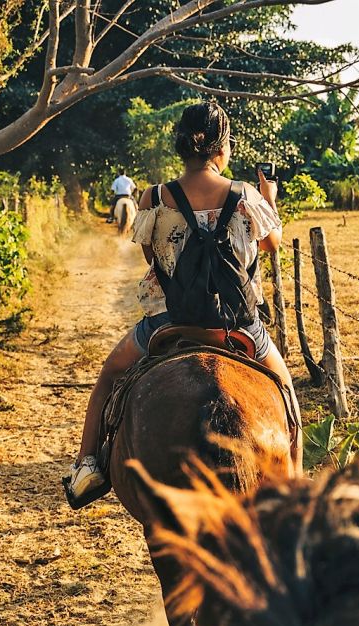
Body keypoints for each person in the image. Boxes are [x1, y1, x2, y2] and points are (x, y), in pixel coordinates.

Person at [66, 102, 299, 502]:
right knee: (287, 394)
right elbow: (271, 245)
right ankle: (296, 486)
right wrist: (268, 198)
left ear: (180, 147)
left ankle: (87, 465)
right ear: (223, 150)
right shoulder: (245, 195)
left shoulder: (154, 197)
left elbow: (152, 259)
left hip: (168, 322)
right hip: (238, 326)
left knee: (109, 375)